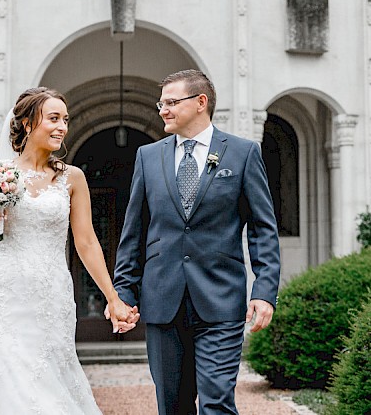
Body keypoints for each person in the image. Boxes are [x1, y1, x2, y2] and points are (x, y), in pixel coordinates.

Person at [0, 87, 140, 414]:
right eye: (53, 118)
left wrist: (113, 298)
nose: (62, 127)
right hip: (1, 293)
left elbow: (86, 241)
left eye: (65, 120)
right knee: (4, 380)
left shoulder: (72, 178)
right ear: (27, 124)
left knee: (45, 380)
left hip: (51, 294)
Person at [114, 69, 281, 415]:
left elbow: (263, 228)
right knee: (172, 406)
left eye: (172, 102)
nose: (163, 110)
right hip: (162, 300)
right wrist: (123, 293)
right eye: (161, 103)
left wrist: (264, 290)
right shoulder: (148, 157)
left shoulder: (243, 154)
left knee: (217, 402)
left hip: (220, 300)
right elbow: (135, 232)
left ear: (200, 102)